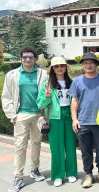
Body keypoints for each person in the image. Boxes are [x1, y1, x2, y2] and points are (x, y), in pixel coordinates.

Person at [2, 47, 47, 192]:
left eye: (31, 57)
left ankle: (34, 169)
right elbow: (6, 97)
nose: (28, 60)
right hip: (21, 115)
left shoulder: (43, 74)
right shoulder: (12, 75)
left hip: (39, 115)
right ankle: (18, 177)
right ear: (21, 58)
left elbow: (48, 94)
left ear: (35, 59)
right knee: (20, 146)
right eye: (25, 57)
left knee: (36, 143)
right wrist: (13, 116)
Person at [36, 56, 78, 187]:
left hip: (69, 116)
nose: (59, 68)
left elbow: (77, 100)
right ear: (52, 69)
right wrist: (47, 97)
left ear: (66, 67)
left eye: (62, 65)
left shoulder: (72, 82)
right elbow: (40, 104)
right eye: (56, 66)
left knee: (70, 146)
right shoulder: (47, 85)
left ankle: (71, 172)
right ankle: (58, 174)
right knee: (57, 147)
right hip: (55, 118)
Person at [70, 52, 99, 188]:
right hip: (83, 121)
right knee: (85, 150)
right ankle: (88, 174)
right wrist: (74, 119)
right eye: (85, 63)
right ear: (82, 65)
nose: (88, 65)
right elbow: (74, 101)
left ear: (96, 64)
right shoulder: (77, 81)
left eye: (91, 62)